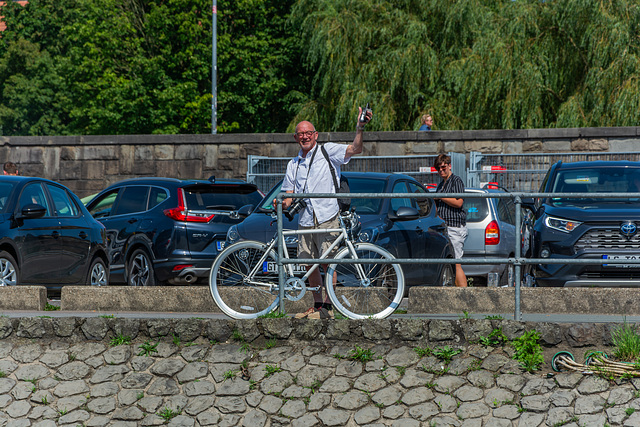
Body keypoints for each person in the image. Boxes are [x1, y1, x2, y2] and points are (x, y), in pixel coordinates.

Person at [277, 107, 373, 319]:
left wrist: (360, 127)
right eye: (301, 134)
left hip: (327, 215)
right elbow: (290, 195)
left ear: (316, 135)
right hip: (305, 218)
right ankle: (317, 305)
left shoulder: (327, 151)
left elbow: (355, 149)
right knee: (309, 264)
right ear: (295, 138)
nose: (305, 137)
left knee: (328, 261)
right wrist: (281, 203)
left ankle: (328, 308)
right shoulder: (293, 164)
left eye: (308, 133)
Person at [433, 153, 468, 287]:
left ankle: (465, 295)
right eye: (439, 169)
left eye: (443, 168)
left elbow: (459, 202)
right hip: (445, 226)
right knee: (452, 263)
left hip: (455, 226)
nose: (441, 171)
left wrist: (441, 197)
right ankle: (458, 293)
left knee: (457, 263)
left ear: (449, 166)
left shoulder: (456, 180)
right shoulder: (442, 184)